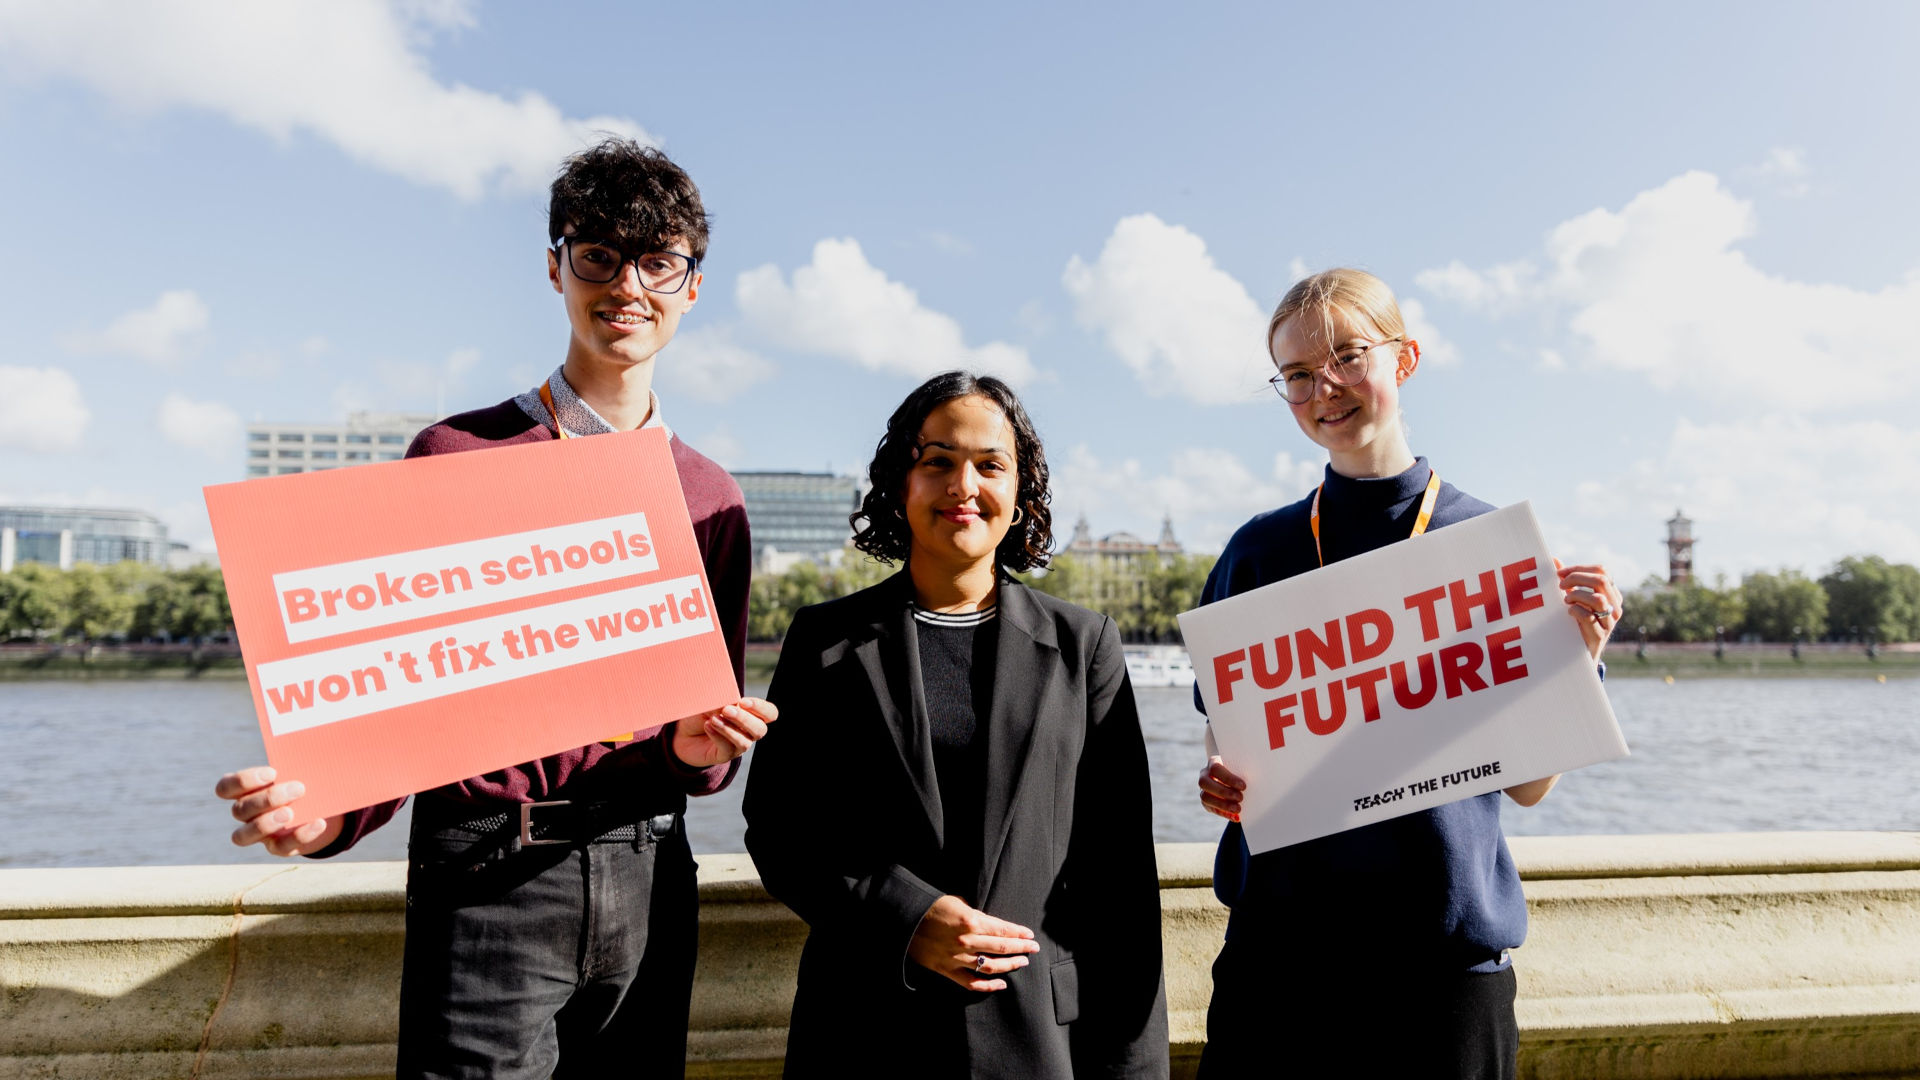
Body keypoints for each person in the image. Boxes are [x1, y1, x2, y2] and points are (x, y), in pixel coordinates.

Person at [214, 137, 777, 1080]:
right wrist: (327, 819)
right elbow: (403, 697)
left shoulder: (711, 495)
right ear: (555, 267)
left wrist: (700, 752)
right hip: (485, 884)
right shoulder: (454, 454)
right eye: (597, 255)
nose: (626, 284)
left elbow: (700, 741)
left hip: (646, 876)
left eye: (656, 261)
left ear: (692, 285)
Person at [1191, 269, 1622, 1079]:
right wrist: (1221, 776)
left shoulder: (1492, 546)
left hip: (1443, 979)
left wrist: (1581, 655)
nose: (1326, 387)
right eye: (1297, 374)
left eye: (1349, 356)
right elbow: (1228, 736)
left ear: (1406, 358)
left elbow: (1529, 790)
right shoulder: (1257, 551)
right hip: (1281, 964)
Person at [742, 372, 1169, 1079]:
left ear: (1021, 492)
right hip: (864, 1032)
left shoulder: (1085, 646)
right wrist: (906, 917)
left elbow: (1120, 878)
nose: (962, 485)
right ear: (898, 484)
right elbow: (780, 827)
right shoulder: (823, 640)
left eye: (990, 464)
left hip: (1037, 1039)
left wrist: (1135, 1067)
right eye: (936, 461)